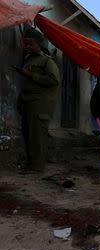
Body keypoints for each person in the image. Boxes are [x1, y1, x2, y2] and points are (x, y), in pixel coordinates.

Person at [14, 28, 60, 172]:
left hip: (40, 104)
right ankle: (31, 164)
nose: (27, 46)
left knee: (37, 136)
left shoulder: (47, 61)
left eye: (30, 44)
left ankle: (37, 166)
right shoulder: (28, 59)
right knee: (28, 134)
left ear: (38, 44)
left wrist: (31, 75)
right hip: (27, 102)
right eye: (25, 43)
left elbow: (54, 80)